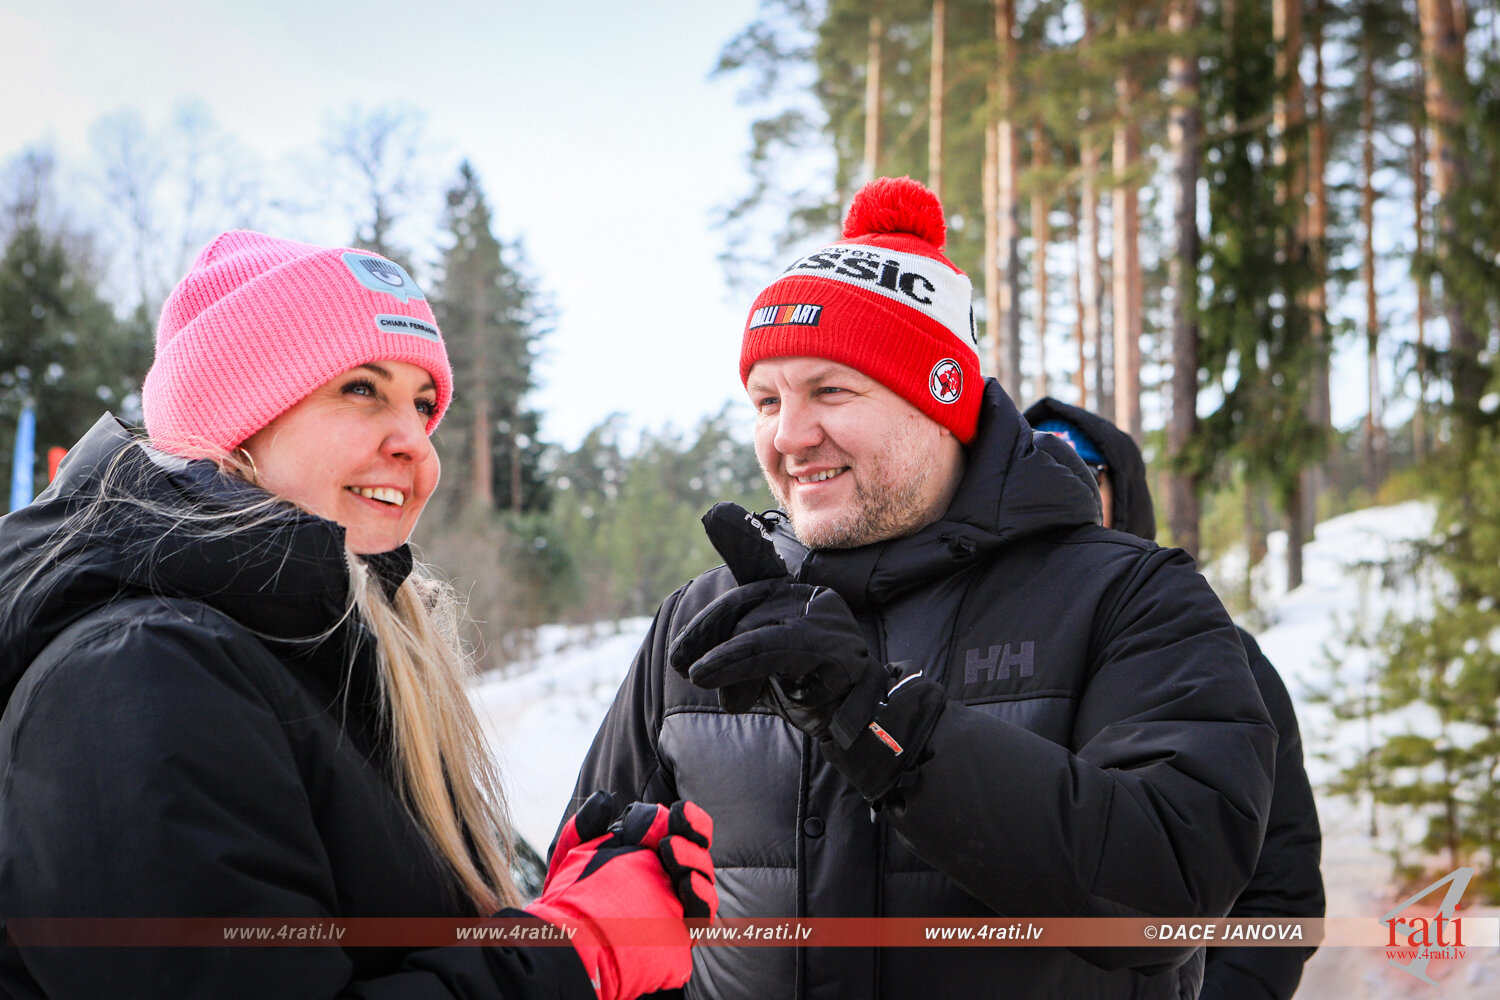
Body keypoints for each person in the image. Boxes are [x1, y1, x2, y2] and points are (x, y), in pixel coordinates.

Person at [561, 177, 1276, 999]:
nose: (788, 436)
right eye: (766, 400)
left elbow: (1171, 889)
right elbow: (592, 899)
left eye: (831, 390)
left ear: (941, 401)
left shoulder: (1128, 597)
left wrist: (883, 723)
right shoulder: (707, 619)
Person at [0, 231, 716, 1000]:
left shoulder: (317, 657)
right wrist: (573, 951)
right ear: (234, 422)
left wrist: (547, 901)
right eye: (363, 389)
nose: (417, 444)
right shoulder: (138, 674)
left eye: (424, 404)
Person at [1024, 396, 1326, 1000]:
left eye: (1083, 469)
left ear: (1124, 494)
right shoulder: (961, 649)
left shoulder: (1218, 655)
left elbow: (1280, 889)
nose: (1058, 481)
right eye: (1033, 464)